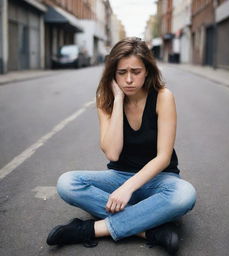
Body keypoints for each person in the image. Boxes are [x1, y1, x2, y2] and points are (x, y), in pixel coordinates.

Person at [46, 37, 196, 255]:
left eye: (135, 71)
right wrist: (117, 101)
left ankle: (90, 229)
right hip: (119, 176)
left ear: (147, 71)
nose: (128, 79)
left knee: (184, 194)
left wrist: (128, 188)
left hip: (158, 180)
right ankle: (150, 229)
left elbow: (163, 157)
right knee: (67, 183)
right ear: (112, 74)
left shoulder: (163, 97)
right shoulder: (105, 99)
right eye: (121, 72)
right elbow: (113, 152)